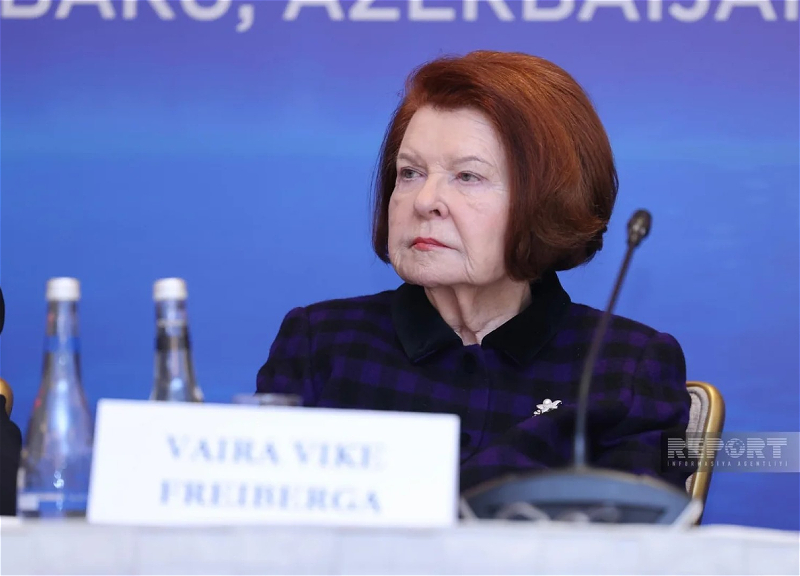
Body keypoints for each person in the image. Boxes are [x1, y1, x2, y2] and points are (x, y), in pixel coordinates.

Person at [256, 51, 691, 494]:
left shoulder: (629, 365)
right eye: (410, 173)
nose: (425, 201)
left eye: (467, 176)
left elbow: (642, 527)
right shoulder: (321, 343)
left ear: (550, 201)